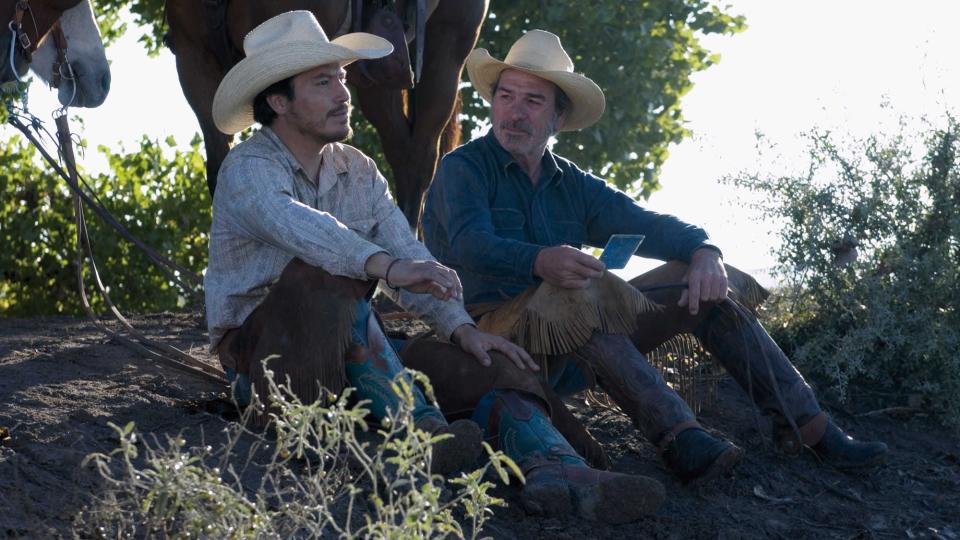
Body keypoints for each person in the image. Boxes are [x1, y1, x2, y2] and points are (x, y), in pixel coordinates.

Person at [203, 12, 664, 522]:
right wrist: (382, 266)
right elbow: (300, 229)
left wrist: (463, 328)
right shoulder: (248, 168)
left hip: (358, 348)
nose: (344, 92)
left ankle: (559, 470)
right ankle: (418, 431)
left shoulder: (358, 170)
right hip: (265, 361)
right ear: (278, 102)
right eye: (323, 82)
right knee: (327, 276)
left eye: (341, 77)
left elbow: (412, 259)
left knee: (489, 364)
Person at [422, 29, 888, 484]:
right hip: (491, 336)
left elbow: (649, 224)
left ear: (558, 119)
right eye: (506, 96)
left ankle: (808, 426)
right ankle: (680, 438)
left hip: (575, 341)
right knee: (578, 293)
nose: (514, 113)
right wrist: (540, 260)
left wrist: (705, 250)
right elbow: (469, 245)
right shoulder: (462, 168)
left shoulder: (573, 182)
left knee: (697, 280)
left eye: (533, 101)